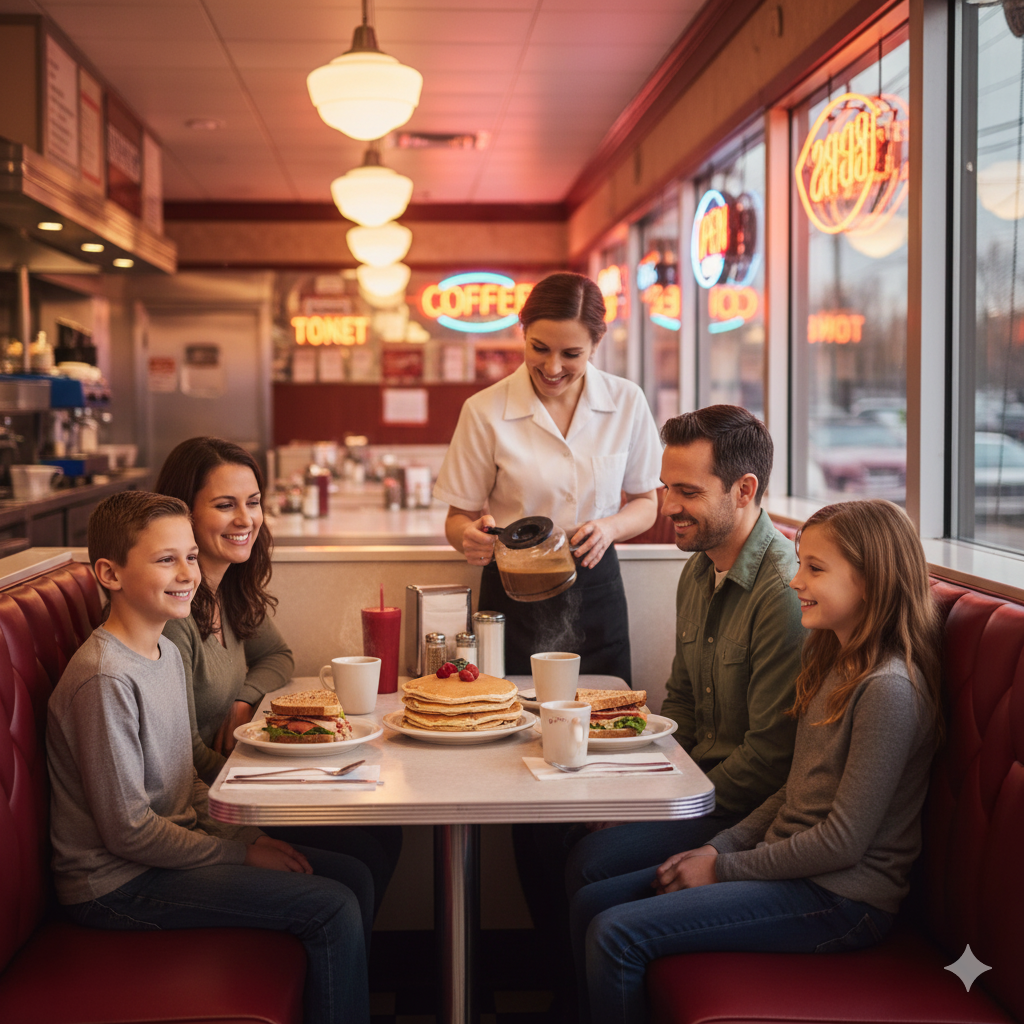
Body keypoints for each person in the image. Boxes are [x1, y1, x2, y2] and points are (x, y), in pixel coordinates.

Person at [570, 499, 943, 1024]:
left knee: (616, 935)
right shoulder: (833, 660)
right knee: (593, 903)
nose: (795, 583)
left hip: (843, 900)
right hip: (792, 867)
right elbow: (793, 791)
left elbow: (843, 842)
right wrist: (715, 847)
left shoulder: (888, 690)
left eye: (815, 569)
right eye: (799, 564)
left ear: (870, 581)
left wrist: (722, 869)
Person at [47, 491, 372, 1024]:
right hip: (116, 886)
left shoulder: (165, 652)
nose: (187, 574)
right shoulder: (105, 678)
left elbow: (184, 782)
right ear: (109, 573)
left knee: (353, 875)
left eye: (191, 556)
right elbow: (127, 832)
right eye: (164, 559)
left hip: (162, 859)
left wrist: (249, 838)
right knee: (332, 906)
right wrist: (239, 856)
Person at [156, 436, 402, 913]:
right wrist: (249, 811)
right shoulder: (173, 611)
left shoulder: (228, 588)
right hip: (206, 801)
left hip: (229, 779)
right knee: (361, 860)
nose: (245, 519)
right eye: (225, 505)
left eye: (253, 502)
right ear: (183, 515)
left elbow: (278, 656)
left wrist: (244, 699)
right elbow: (182, 760)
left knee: (382, 835)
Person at [566, 405, 805, 892]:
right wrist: (645, 792)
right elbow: (681, 706)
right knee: (575, 832)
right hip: (697, 788)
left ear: (744, 490)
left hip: (743, 811)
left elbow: (769, 758)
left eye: (688, 492)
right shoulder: (698, 568)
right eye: (666, 487)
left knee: (591, 863)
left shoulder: (783, 591)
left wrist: (664, 804)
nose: (668, 506)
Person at [433, 271, 662, 684]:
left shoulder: (626, 401)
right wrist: (469, 537)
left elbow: (647, 503)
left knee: (605, 717)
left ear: (597, 344)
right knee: (509, 719)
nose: (552, 367)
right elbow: (457, 518)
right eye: (539, 348)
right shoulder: (484, 410)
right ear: (522, 333)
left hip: (596, 586)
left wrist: (609, 528)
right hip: (511, 591)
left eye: (571, 354)